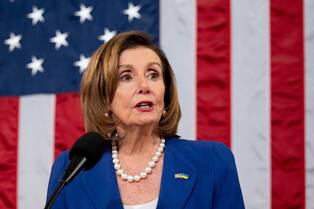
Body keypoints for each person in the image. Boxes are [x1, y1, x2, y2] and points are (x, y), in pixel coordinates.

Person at [46, 31, 245, 209]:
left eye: (153, 74)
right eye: (126, 76)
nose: (144, 86)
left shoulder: (213, 161)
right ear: (105, 98)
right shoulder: (72, 167)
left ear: (165, 94)